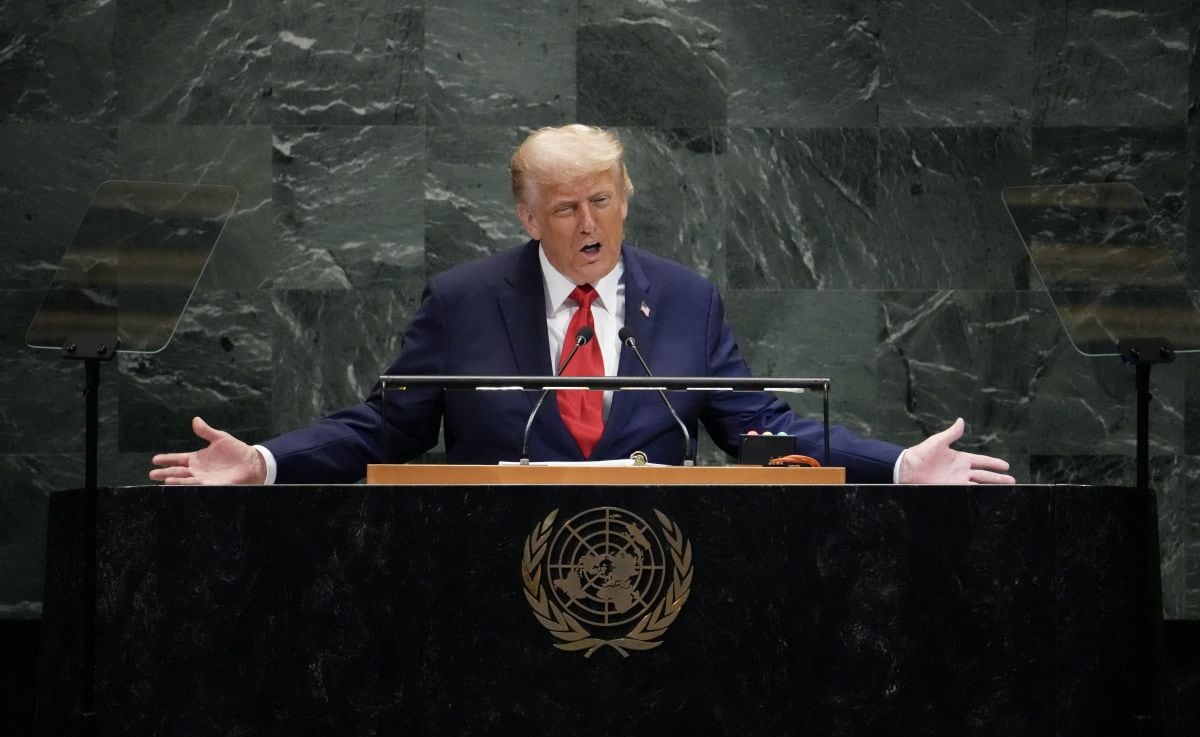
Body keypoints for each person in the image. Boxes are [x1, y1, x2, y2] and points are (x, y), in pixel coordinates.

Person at [150, 124, 1014, 486]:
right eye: (565, 208)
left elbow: (759, 428)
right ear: (529, 217)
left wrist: (896, 466)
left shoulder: (685, 298)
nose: (588, 222)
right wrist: (264, 462)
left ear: (625, 199)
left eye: (602, 200)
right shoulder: (463, 301)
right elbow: (387, 427)